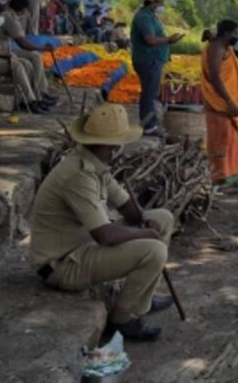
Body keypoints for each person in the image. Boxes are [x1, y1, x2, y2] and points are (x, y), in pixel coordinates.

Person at [29, 103, 175, 341]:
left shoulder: (96, 164)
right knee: (154, 250)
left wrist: (141, 217)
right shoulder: (78, 175)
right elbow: (104, 236)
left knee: (163, 218)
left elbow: (128, 208)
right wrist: (145, 234)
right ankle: (123, 318)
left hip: (81, 247)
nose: (121, 148)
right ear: (111, 145)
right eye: (119, 144)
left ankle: (141, 301)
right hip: (62, 264)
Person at [130, 0, 183, 135]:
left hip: (154, 60)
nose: (162, 5)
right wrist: (169, 39)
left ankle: (150, 122)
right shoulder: (144, 17)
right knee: (149, 94)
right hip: (148, 60)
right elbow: (150, 39)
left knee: (151, 92)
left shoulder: (151, 16)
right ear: (152, 2)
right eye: (160, 2)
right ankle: (148, 126)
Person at [201, 19, 238, 187]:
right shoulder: (217, 48)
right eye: (235, 33)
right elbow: (215, 77)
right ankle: (219, 177)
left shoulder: (223, 45)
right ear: (226, 33)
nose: (236, 36)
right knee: (221, 139)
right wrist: (229, 101)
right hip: (220, 102)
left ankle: (231, 174)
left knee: (231, 139)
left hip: (227, 100)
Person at [0, 0, 57, 111]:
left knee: (32, 58)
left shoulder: (10, 16)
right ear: (23, 9)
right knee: (27, 60)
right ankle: (31, 100)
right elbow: (23, 44)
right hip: (3, 52)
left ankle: (39, 94)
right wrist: (43, 48)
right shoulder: (7, 17)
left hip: (5, 51)